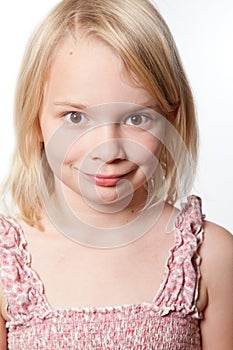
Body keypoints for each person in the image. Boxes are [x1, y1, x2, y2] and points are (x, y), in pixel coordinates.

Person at [0, 0, 232, 348]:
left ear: (171, 119)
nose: (108, 151)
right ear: (35, 120)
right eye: (75, 117)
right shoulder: (7, 267)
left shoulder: (209, 257)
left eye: (137, 118)